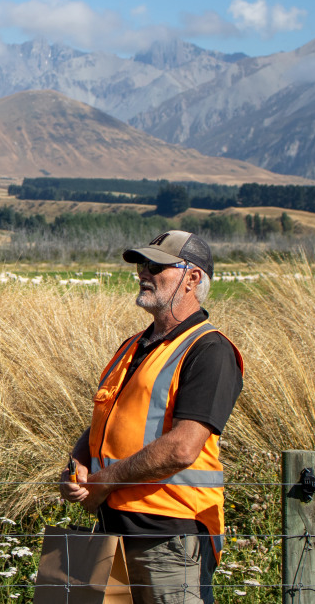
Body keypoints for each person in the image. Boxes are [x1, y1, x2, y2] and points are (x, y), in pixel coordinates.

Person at [59, 230, 244, 604]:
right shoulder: (132, 345)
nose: (143, 271)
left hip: (169, 538)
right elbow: (106, 418)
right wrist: (78, 466)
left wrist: (103, 482)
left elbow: (183, 448)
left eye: (156, 265)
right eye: (142, 264)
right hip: (112, 530)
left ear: (193, 278)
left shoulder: (210, 350)